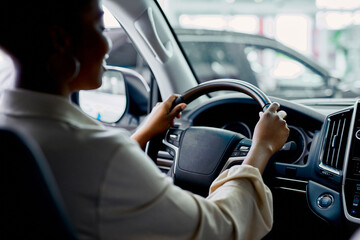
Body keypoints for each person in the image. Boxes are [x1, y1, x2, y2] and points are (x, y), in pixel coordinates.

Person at [0, 0, 289, 239]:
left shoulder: (12, 123)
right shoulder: (101, 155)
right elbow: (219, 229)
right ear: (61, 40)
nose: (108, 44)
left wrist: (140, 136)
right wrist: (260, 149)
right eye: (100, 27)